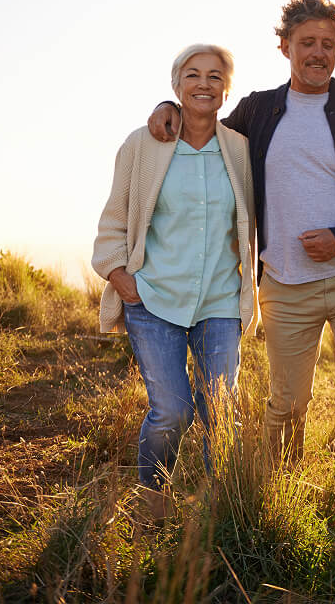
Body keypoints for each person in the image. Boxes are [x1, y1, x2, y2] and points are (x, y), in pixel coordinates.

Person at [146, 0, 335, 540]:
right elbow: (203, 126)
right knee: (286, 405)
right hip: (284, 286)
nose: (317, 53)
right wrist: (167, 109)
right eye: (306, 43)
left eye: (327, 44)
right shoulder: (259, 110)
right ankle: (280, 498)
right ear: (284, 46)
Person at [92, 44, 256, 522]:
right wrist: (121, 278)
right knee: (172, 411)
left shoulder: (241, 149)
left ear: (227, 89)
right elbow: (115, 218)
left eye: (214, 76)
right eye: (192, 74)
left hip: (220, 300)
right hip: (154, 298)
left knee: (219, 412)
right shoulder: (142, 145)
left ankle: (217, 513)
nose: (203, 84)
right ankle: (154, 506)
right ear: (176, 86)